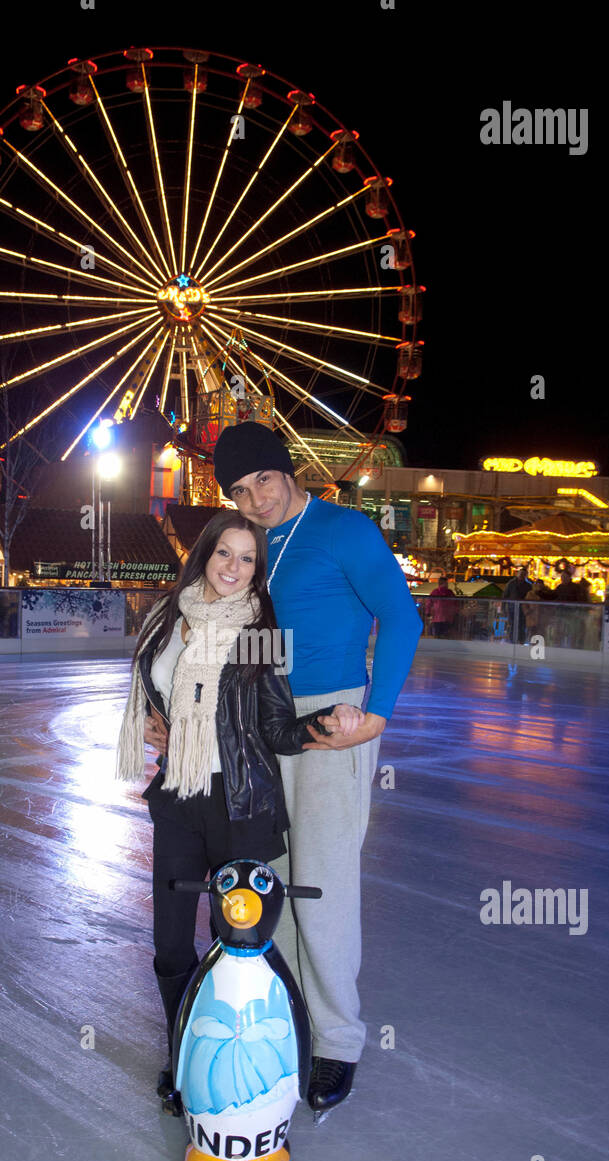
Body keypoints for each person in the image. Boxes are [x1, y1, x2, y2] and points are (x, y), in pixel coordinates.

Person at [145, 422, 422, 1116]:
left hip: (330, 721)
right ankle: (290, 1020)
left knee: (321, 881)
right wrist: (183, 719)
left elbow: (401, 617)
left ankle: (337, 1041)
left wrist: (378, 711)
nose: (255, 498)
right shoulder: (251, 550)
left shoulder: (344, 531)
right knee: (268, 882)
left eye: (263, 480)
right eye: (239, 489)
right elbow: (227, 643)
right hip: (255, 721)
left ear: (287, 470)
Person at [116, 510, 362, 1114]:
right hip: (179, 799)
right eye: (225, 553)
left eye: (247, 558)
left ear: (257, 569)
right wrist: (158, 724)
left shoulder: (259, 632)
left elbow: (275, 727)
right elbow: (151, 689)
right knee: (171, 946)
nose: (234, 567)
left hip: (243, 807)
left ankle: (272, 1052)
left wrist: (324, 723)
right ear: (204, 554)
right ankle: (184, 1054)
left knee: (243, 942)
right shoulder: (164, 620)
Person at [503, 565, 532, 642]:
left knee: (521, 624)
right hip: (512, 607)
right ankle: (512, 640)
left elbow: (530, 597)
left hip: (523, 609)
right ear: (518, 574)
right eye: (521, 574)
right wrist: (504, 607)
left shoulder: (528, 585)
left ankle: (521, 640)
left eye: (524, 574)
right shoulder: (511, 583)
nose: (522, 576)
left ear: (526, 576)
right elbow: (505, 595)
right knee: (512, 624)